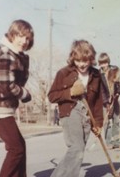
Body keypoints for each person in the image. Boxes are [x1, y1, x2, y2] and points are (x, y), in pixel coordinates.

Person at [0, 19, 34, 177]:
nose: (24, 41)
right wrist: (24, 94)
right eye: (20, 36)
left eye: (27, 38)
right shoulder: (5, 54)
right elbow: (7, 85)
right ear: (12, 35)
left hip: (1, 106)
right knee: (16, 149)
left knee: (19, 146)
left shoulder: (15, 54)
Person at [48, 39, 103, 177]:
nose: (82, 64)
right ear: (73, 58)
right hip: (71, 110)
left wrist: (98, 123)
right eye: (78, 61)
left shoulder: (96, 75)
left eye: (85, 61)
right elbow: (52, 96)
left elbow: (97, 102)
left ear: (91, 59)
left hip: (87, 114)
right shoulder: (64, 73)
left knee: (78, 151)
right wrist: (70, 92)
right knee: (77, 148)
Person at [98, 52, 120, 149]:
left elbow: (119, 82)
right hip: (105, 101)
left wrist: (118, 92)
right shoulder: (98, 74)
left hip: (115, 99)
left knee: (116, 120)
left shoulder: (114, 70)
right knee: (106, 122)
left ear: (108, 62)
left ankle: (116, 141)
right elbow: (101, 90)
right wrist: (106, 102)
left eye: (105, 63)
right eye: (101, 63)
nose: (104, 65)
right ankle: (108, 142)